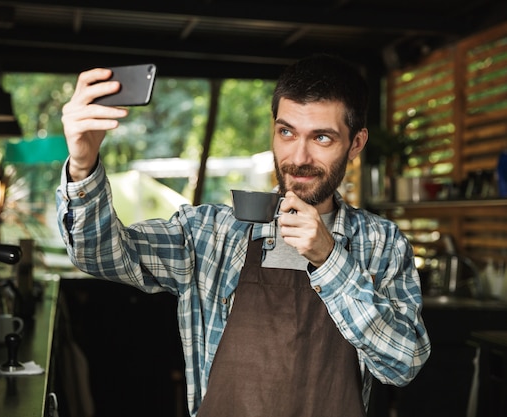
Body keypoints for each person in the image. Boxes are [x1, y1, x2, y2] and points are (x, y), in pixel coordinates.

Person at [56, 54, 431, 417]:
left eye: (322, 138)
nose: (298, 157)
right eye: (286, 132)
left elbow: (403, 364)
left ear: (356, 144)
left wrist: (330, 259)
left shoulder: (382, 244)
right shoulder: (210, 233)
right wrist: (83, 165)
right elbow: (98, 254)